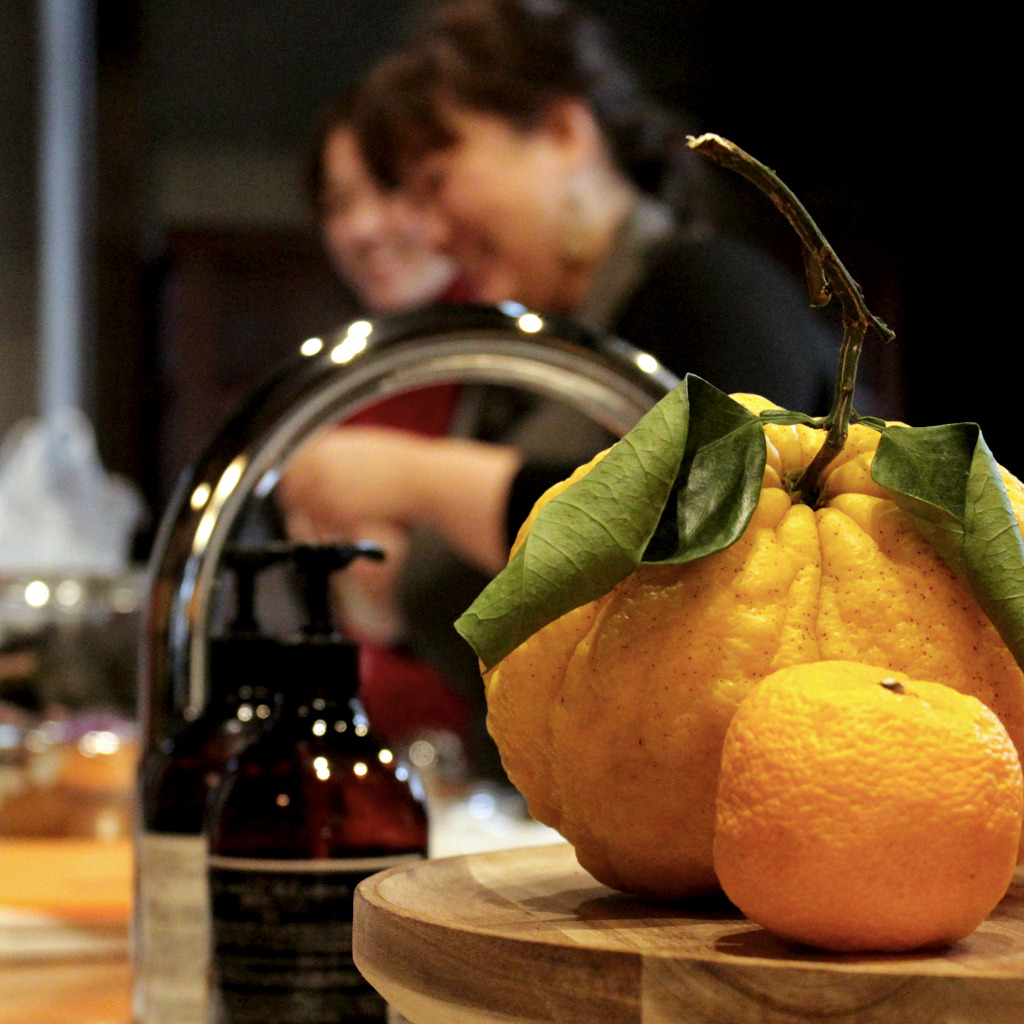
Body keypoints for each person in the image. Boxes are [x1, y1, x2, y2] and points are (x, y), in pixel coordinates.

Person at [280, 0, 846, 780]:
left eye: (437, 182)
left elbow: (719, 543)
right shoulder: (550, 355)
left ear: (562, 134)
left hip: (792, 784)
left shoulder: (709, 294)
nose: (435, 232)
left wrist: (414, 476)